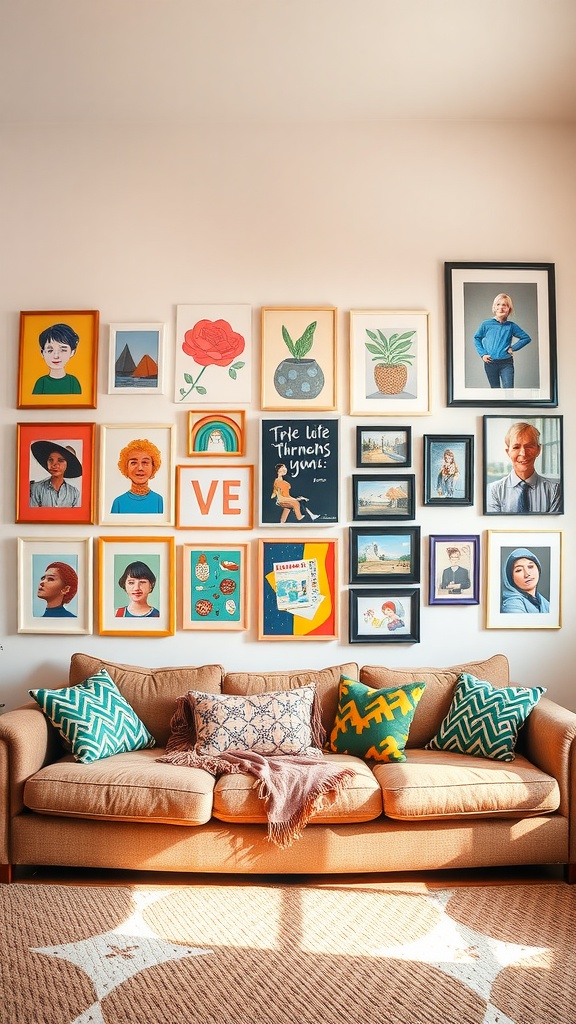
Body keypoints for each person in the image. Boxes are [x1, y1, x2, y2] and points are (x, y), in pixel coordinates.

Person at [486, 421, 561, 514]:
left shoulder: (554, 490)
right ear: (508, 452)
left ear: (538, 450)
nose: (523, 453)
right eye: (516, 447)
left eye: (529, 446)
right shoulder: (493, 491)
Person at [473, 293, 531, 389]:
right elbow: (477, 338)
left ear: (509, 309)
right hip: (490, 363)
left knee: (509, 390)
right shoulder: (486, 324)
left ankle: (509, 404)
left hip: (506, 363)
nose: (501, 307)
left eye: (504, 305)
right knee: (495, 390)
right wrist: (482, 354)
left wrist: (513, 348)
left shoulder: (511, 326)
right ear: (494, 307)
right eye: (498, 304)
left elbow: (526, 338)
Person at [110, 439, 164, 514]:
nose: (140, 468)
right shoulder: (118, 502)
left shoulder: (159, 500)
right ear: (126, 467)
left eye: (145, 462)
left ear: (153, 466)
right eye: (134, 463)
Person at [32, 323, 82, 395]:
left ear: (72, 352)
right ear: (42, 352)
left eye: (63, 350)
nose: (56, 356)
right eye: (50, 350)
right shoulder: (41, 383)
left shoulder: (73, 382)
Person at [29, 440, 82, 508]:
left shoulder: (74, 493)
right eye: (50, 460)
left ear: (68, 465)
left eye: (60, 460)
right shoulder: (36, 488)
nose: (54, 465)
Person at [501, 548, 549, 614]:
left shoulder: (543, 602)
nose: (527, 574)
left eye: (530, 566)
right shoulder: (512, 604)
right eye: (519, 570)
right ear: (510, 577)